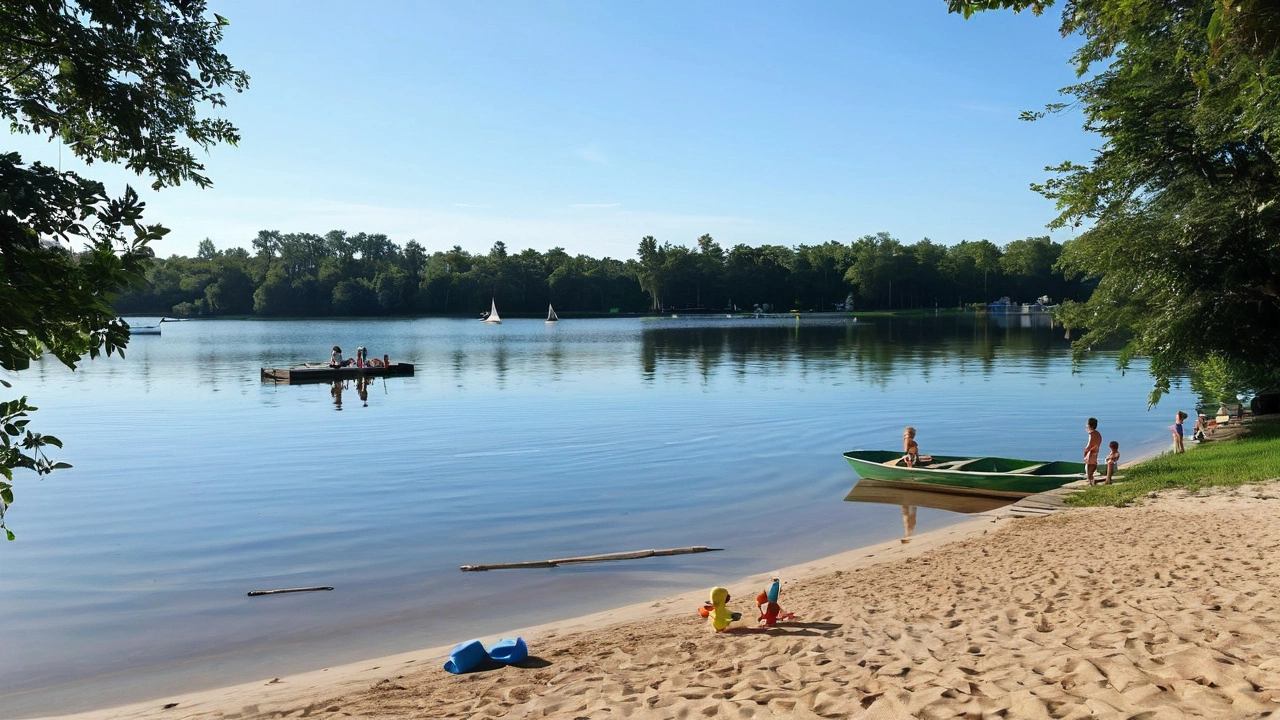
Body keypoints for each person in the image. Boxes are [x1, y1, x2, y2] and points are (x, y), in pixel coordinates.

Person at [1084, 417, 1102, 485]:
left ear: (1089, 425)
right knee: (1093, 463)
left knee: (1089, 466)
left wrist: (1086, 451)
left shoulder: (1091, 434)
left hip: (1091, 451)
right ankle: (1091, 479)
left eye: (1087, 424)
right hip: (1096, 450)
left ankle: (1091, 480)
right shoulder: (1097, 433)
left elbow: (1089, 444)